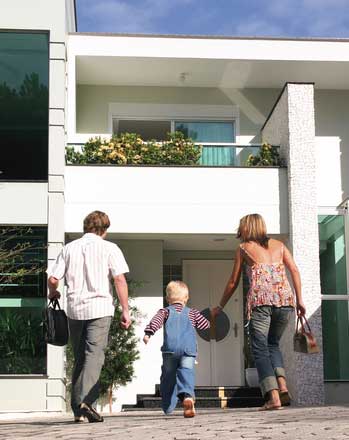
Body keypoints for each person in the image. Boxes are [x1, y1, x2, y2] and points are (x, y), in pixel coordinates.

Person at [212, 213, 306, 411]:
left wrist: (220, 306)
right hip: (285, 301)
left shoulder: (244, 248)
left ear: (247, 228)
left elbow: (233, 281)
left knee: (260, 348)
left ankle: (273, 397)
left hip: (261, 302)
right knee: (273, 344)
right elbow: (295, 270)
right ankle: (282, 386)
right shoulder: (279, 245)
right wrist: (300, 300)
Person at [47, 210, 131, 423]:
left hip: (75, 310)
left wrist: (52, 292)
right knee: (94, 355)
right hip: (100, 308)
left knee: (80, 358)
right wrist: (125, 310)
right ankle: (85, 402)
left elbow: (54, 278)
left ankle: (78, 411)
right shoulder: (109, 248)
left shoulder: (69, 248)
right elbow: (119, 279)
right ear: (103, 230)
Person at [143, 280, 210, 417]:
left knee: (168, 377)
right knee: (186, 373)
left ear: (168, 298)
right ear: (186, 298)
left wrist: (148, 333)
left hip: (170, 351)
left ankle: (168, 406)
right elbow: (205, 325)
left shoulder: (164, 312)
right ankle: (187, 397)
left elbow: (155, 322)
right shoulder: (192, 313)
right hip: (188, 351)